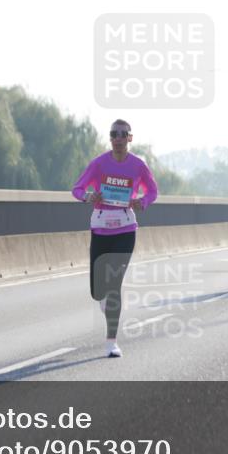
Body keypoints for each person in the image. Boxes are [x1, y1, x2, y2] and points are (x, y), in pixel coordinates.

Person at [71, 119, 158, 358]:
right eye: (113, 134)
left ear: (130, 138)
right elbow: (76, 189)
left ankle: (111, 342)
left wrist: (143, 202)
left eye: (123, 134)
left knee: (114, 284)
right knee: (98, 292)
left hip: (125, 227)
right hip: (100, 227)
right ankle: (103, 296)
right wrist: (88, 196)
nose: (118, 138)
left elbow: (153, 191)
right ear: (110, 138)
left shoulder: (138, 165)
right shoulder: (99, 164)